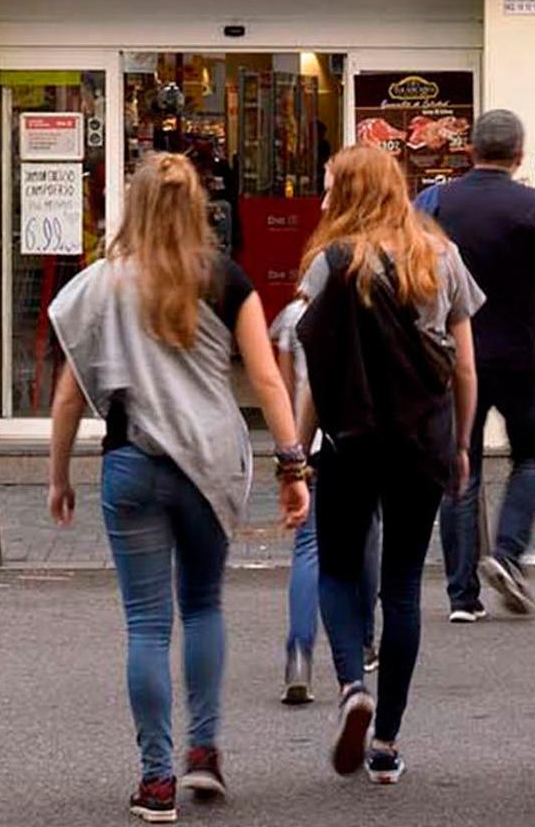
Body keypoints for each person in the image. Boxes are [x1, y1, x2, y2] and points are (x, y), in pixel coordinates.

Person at [46, 153, 309, 824]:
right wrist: (292, 467)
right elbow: (269, 381)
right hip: (210, 464)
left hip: (132, 462)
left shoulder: (99, 285)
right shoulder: (226, 279)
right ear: (200, 208)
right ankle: (204, 755)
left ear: (132, 205)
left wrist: (58, 474)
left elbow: (71, 393)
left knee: (145, 623)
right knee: (202, 607)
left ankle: (156, 781)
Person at [299, 145, 481, 785]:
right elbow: (462, 366)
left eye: (329, 186)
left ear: (347, 193)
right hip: (421, 441)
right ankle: (386, 743)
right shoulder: (443, 257)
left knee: (338, 571)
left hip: (351, 438)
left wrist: (298, 452)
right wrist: (460, 443)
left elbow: (315, 372)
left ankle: (353, 683)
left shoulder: (330, 263)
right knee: (402, 587)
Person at [415, 110, 535, 620]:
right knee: (533, 456)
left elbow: (415, 274)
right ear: (520, 155)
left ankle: (462, 596)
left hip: (451, 357)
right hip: (517, 357)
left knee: (461, 467)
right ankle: (506, 553)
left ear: (469, 151)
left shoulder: (434, 202)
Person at [270, 252, 382, 707]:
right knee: (368, 538)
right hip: (349, 437)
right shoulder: (367, 308)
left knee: (308, 549)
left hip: (307, 439)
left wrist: (291, 453)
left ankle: (299, 652)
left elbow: (279, 386)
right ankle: (363, 638)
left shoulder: (292, 317)